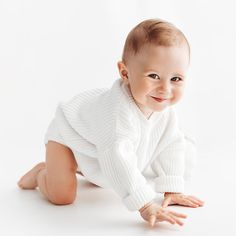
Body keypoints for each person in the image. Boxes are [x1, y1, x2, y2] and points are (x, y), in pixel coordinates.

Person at [17, 18, 204, 227]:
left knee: (103, 178)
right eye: (154, 76)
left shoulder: (164, 111)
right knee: (63, 196)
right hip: (69, 138)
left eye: (176, 79)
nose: (165, 89)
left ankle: (79, 168)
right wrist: (144, 204)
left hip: (99, 149)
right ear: (125, 73)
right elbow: (118, 157)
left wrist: (172, 188)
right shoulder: (117, 114)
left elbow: (171, 145)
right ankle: (43, 173)